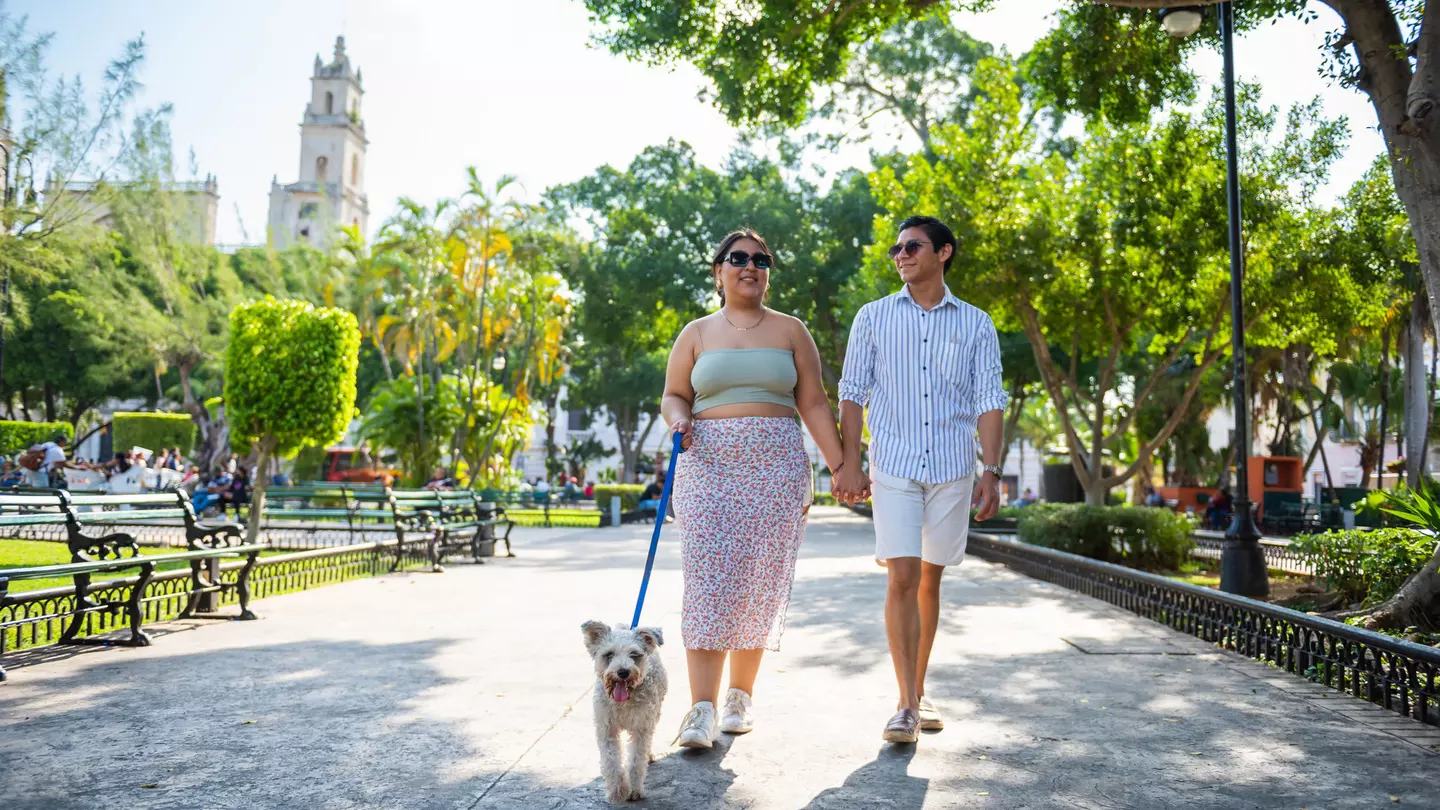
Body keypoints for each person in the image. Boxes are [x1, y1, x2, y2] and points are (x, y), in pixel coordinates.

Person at [662, 228, 846, 749]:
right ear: (718, 271)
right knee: (707, 583)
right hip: (708, 466)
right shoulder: (696, 332)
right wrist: (679, 420)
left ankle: (739, 699)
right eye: (737, 258)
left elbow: (812, 403)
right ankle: (700, 709)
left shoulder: (792, 331)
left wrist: (841, 467)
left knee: (756, 583)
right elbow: (674, 394)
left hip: (776, 468)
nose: (750, 265)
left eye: (760, 259)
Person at [833, 215, 1007, 745]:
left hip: (954, 469)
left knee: (931, 581)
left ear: (944, 253)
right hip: (896, 467)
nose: (901, 255)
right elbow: (852, 392)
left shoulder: (976, 323)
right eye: (897, 249)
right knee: (902, 578)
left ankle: (920, 687)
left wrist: (991, 471)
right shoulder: (873, 317)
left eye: (912, 246)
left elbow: (989, 400)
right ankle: (906, 704)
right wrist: (849, 462)